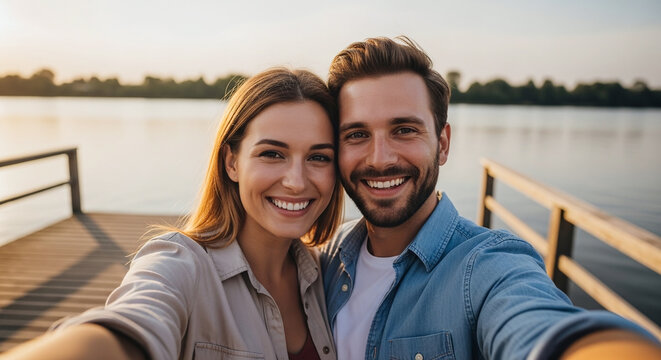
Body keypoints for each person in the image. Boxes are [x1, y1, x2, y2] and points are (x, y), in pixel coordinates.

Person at [320, 36, 661, 360]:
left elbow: (537, 324)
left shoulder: (487, 268)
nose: (380, 159)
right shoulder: (329, 256)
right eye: (357, 134)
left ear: (443, 144)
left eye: (405, 130)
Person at [2, 68, 343, 360]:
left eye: (319, 157)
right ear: (232, 162)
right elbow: (133, 322)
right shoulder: (181, 264)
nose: (297, 182)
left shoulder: (326, 274)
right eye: (272, 154)